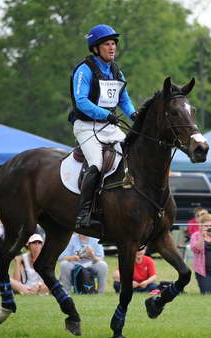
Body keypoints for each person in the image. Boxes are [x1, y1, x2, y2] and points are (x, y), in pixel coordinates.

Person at [68, 24, 139, 229]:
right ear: (96, 47)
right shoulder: (84, 69)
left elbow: (124, 100)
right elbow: (81, 101)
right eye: (107, 44)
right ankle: (84, 215)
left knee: (130, 155)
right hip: (86, 126)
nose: (112, 47)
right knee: (97, 164)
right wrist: (106, 114)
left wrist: (134, 115)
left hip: (109, 125)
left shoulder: (117, 71)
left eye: (114, 43)